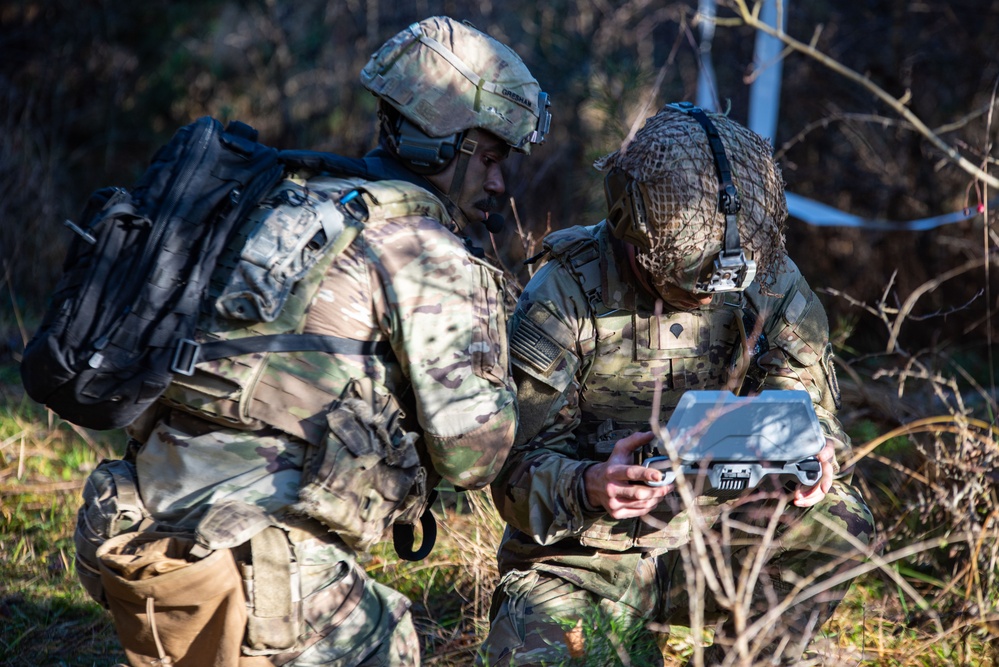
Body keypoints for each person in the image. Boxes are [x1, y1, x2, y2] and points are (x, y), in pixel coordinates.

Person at [75, 16, 551, 667]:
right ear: (441, 145)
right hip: (263, 565)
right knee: (389, 643)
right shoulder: (425, 252)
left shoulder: (280, 201)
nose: (499, 184)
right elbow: (473, 458)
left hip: (131, 532)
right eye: (491, 158)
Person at [480, 103, 874, 666]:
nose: (713, 296)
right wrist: (590, 483)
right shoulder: (562, 296)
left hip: (719, 542)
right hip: (588, 561)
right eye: (689, 281)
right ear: (631, 230)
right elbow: (510, 476)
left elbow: (815, 414)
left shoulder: (769, 279)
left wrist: (822, 454)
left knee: (840, 520)